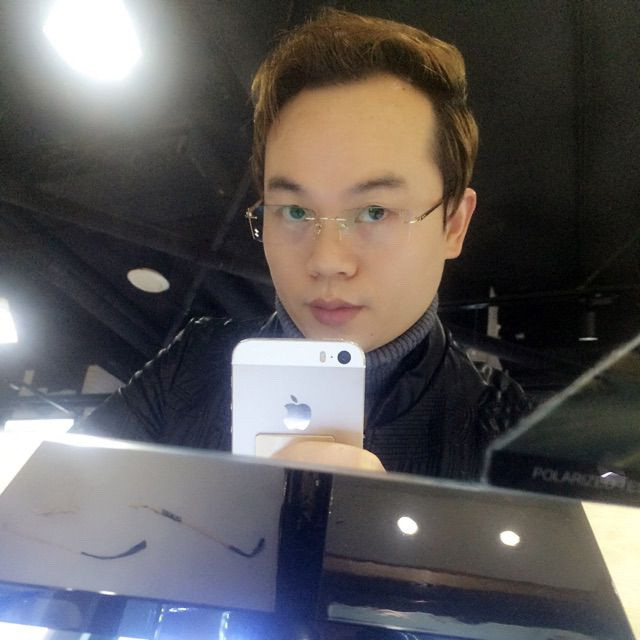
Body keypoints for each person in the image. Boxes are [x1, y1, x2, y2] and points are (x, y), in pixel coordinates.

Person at [77, 8, 530, 478]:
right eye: (295, 211)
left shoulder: (508, 434)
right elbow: (49, 509)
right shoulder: (192, 367)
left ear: (453, 225)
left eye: (375, 211)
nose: (327, 260)